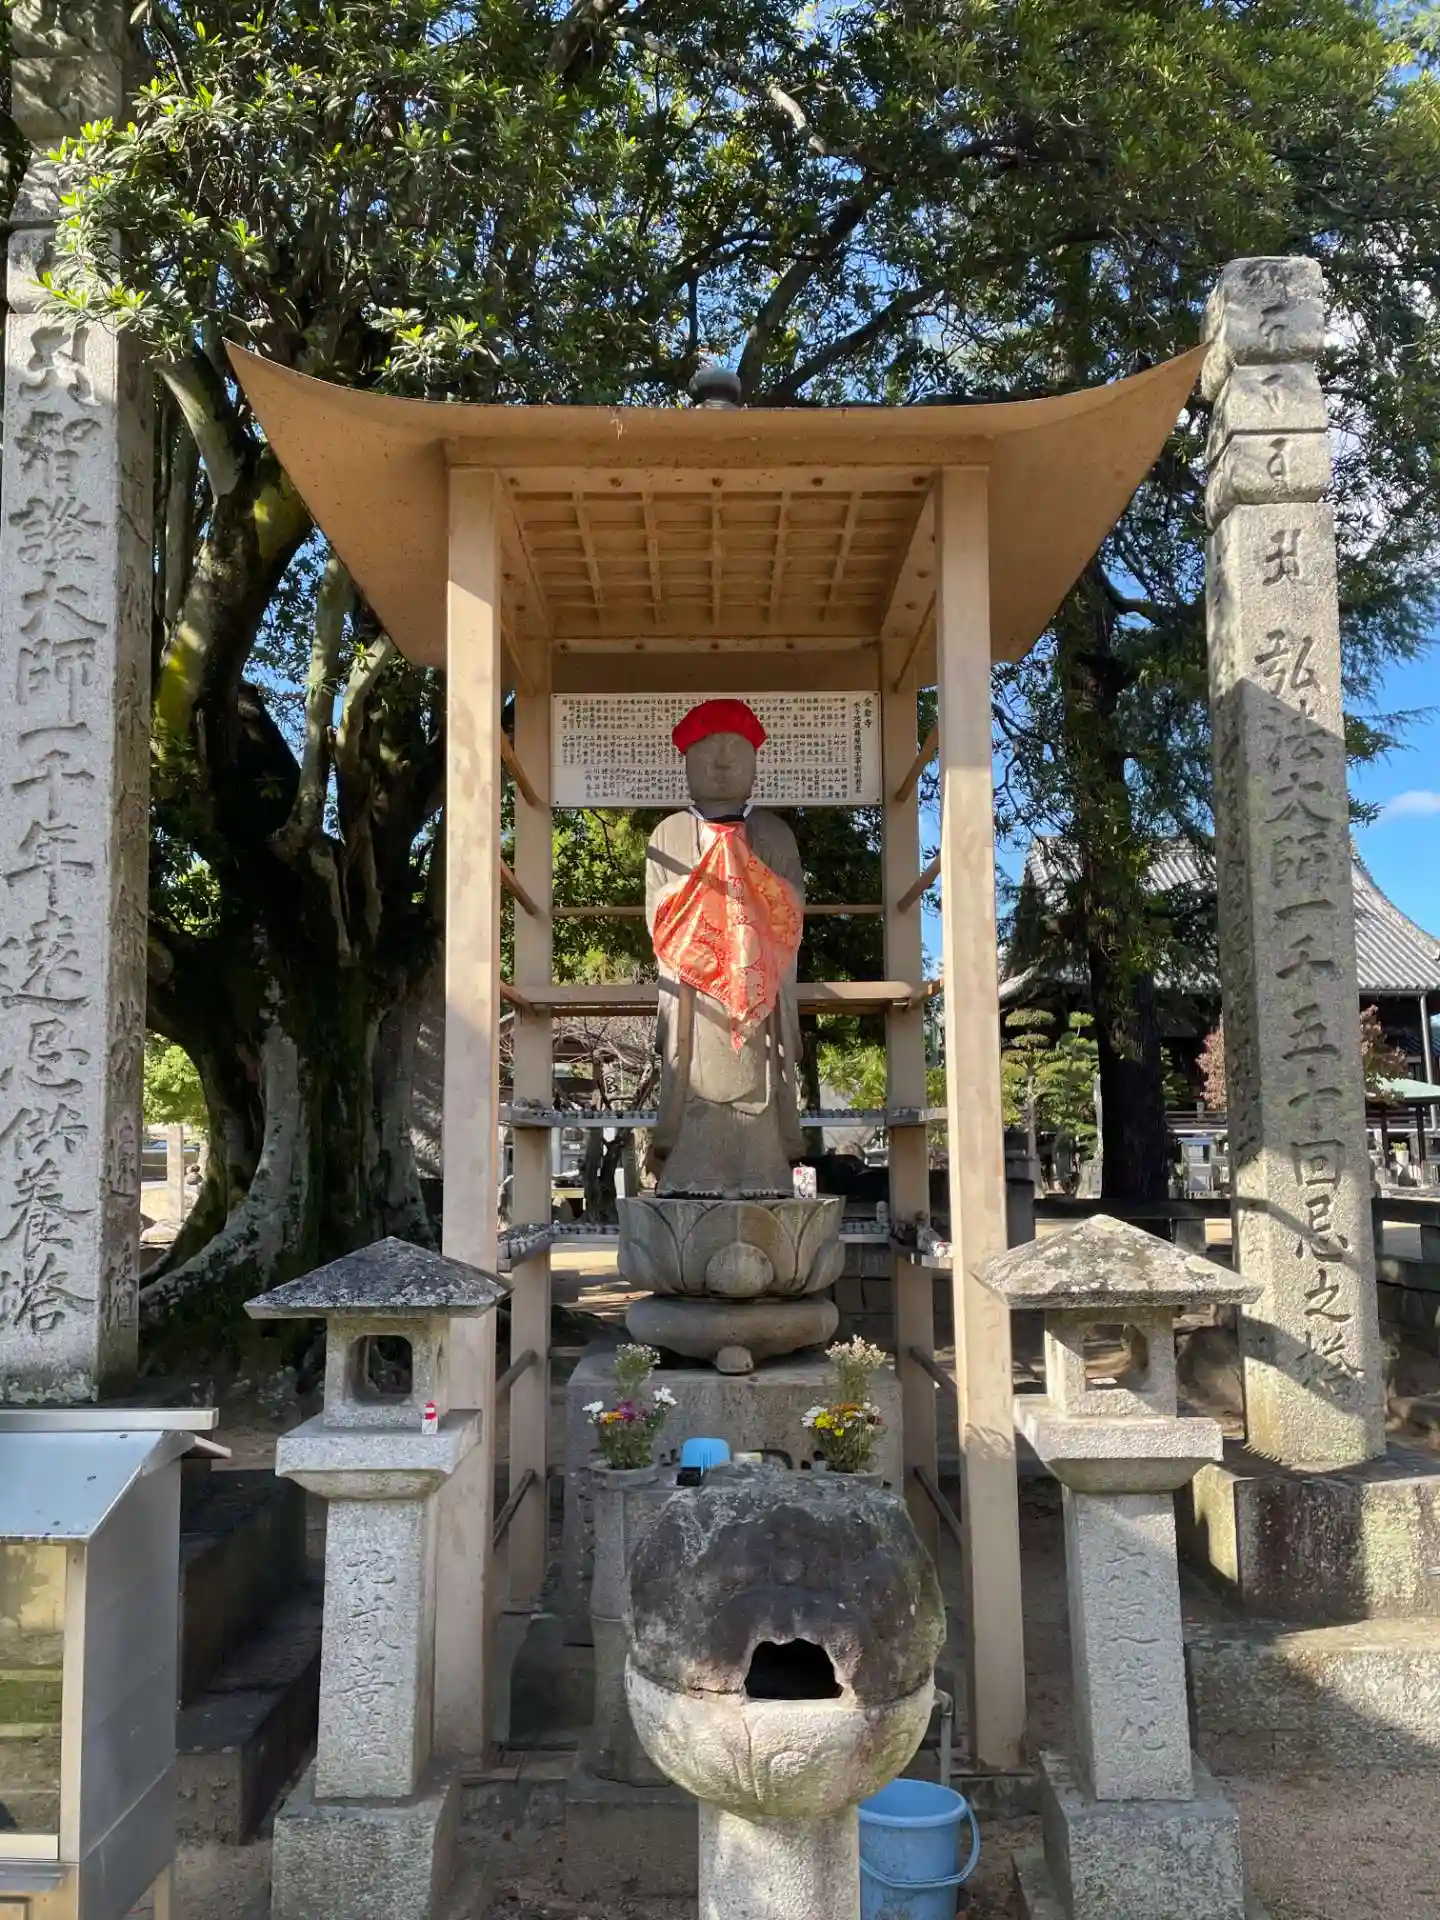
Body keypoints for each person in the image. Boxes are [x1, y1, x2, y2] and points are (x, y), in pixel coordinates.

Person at [644, 699, 805, 1197]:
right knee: (696, 1079)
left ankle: (764, 1167)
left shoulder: (774, 834)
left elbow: (793, 906)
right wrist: (696, 895)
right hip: (694, 986)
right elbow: (656, 909)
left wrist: (749, 890)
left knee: (759, 1078)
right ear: (686, 764)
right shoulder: (669, 833)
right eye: (708, 751)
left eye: (735, 750)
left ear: (755, 764)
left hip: (757, 980)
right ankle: (694, 1168)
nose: (721, 763)